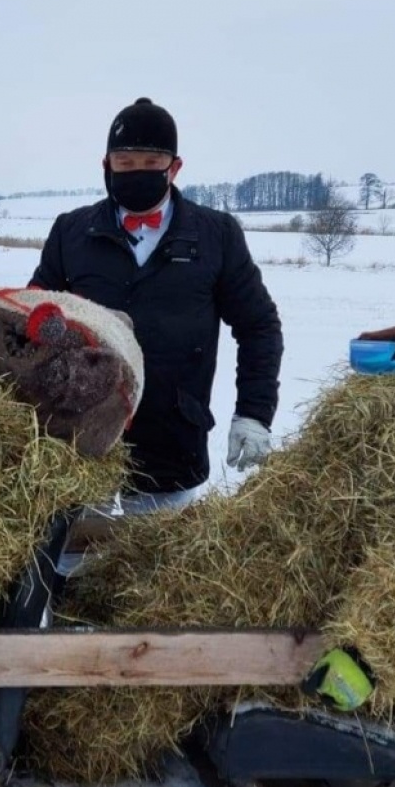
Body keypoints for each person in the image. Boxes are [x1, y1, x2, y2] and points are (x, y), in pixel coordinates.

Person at [30, 97, 283, 510]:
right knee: (65, 564)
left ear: (175, 167)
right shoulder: (70, 232)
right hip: (76, 440)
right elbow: (36, 318)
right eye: (125, 164)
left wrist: (253, 413)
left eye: (151, 163)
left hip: (171, 444)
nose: (137, 173)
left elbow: (259, 326)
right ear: (106, 165)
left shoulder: (216, 235)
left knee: (153, 567)